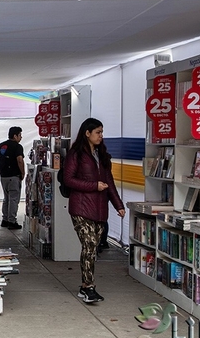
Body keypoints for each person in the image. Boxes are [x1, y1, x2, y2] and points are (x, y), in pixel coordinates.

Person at [63, 117, 125, 304]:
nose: (101, 135)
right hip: (81, 208)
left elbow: (110, 183)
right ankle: (88, 287)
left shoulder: (102, 155)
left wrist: (118, 205)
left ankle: (85, 287)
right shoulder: (76, 155)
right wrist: (93, 186)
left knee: (92, 248)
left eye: (102, 132)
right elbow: (69, 179)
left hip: (99, 209)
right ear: (87, 133)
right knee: (89, 244)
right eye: (97, 132)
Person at [0, 126, 25, 230]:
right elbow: (19, 160)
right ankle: (12, 221)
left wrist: (0, 170)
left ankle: (5, 220)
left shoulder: (2, 145)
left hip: (3, 177)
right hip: (14, 176)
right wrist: (23, 173)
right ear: (15, 136)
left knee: (6, 198)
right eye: (20, 135)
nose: (21, 137)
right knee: (13, 199)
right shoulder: (17, 147)